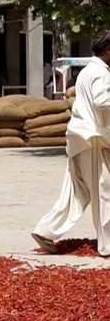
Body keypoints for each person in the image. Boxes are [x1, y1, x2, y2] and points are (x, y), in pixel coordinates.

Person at [32, 31, 110, 257]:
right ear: (107, 50)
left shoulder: (89, 71)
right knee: (104, 191)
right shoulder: (101, 74)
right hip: (92, 139)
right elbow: (102, 101)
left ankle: (46, 231)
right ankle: (106, 246)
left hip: (80, 138)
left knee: (77, 191)